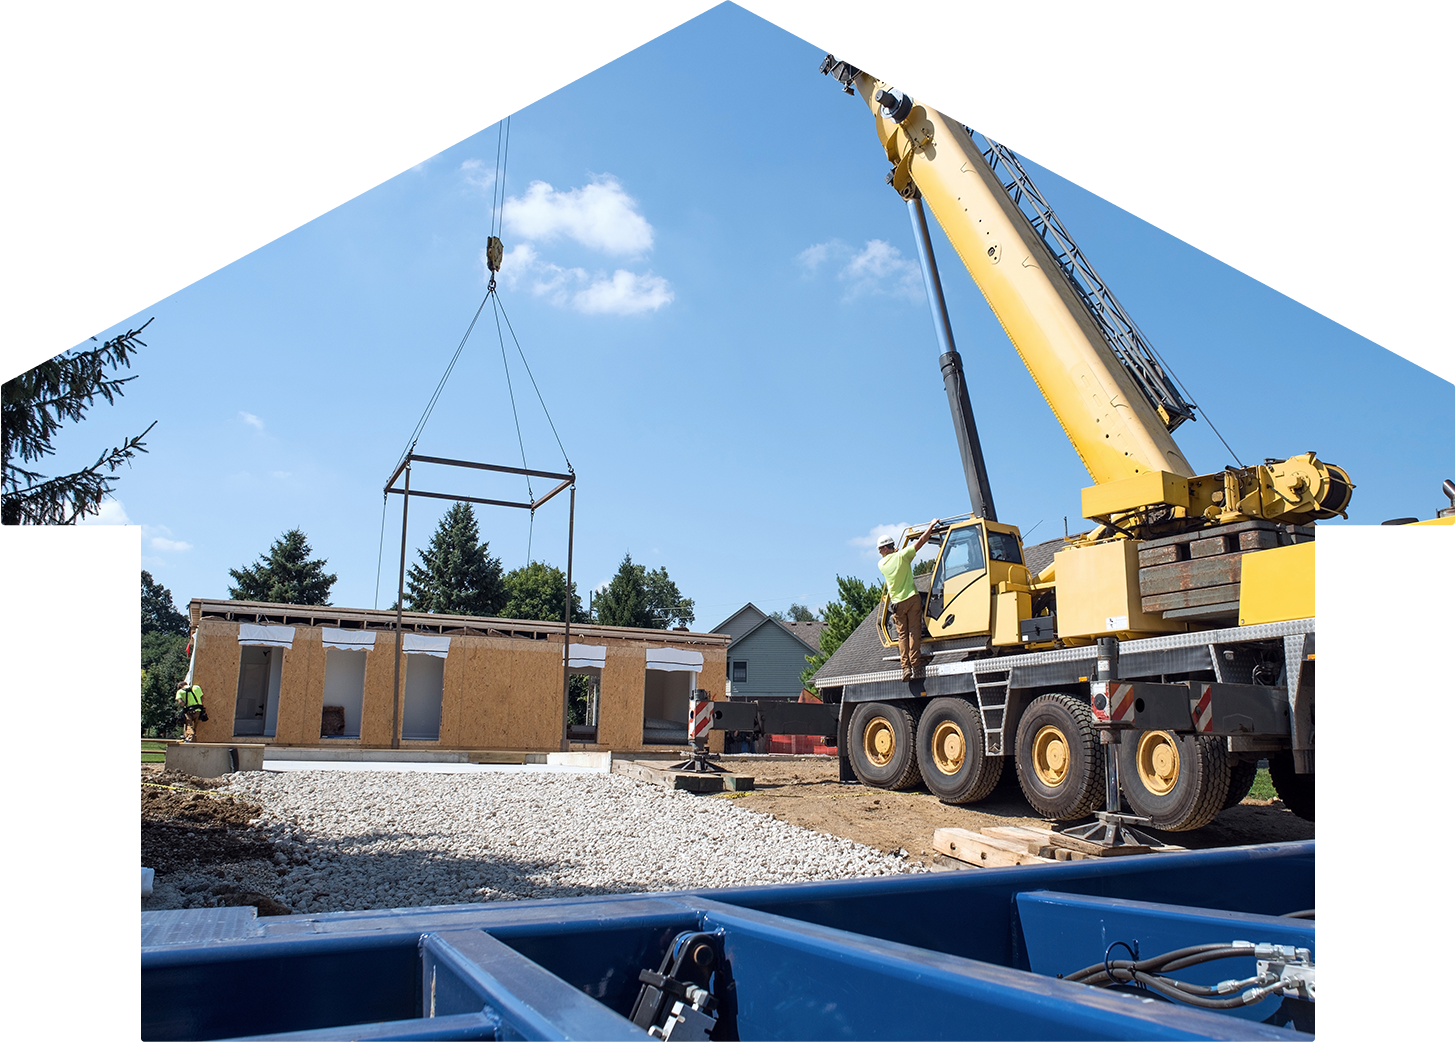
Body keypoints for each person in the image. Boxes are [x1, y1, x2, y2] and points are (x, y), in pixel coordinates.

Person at [878, 520, 940, 681]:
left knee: (902, 636)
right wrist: (931, 526)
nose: (879, 552)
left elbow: (892, 557)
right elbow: (921, 542)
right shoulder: (903, 556)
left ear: (885, 548)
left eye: (880, 549)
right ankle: (915, 662)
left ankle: (906, 668)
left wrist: (895, 552)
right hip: (912, 598)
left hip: (897, 603)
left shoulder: (882, 564)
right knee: (915, 631)